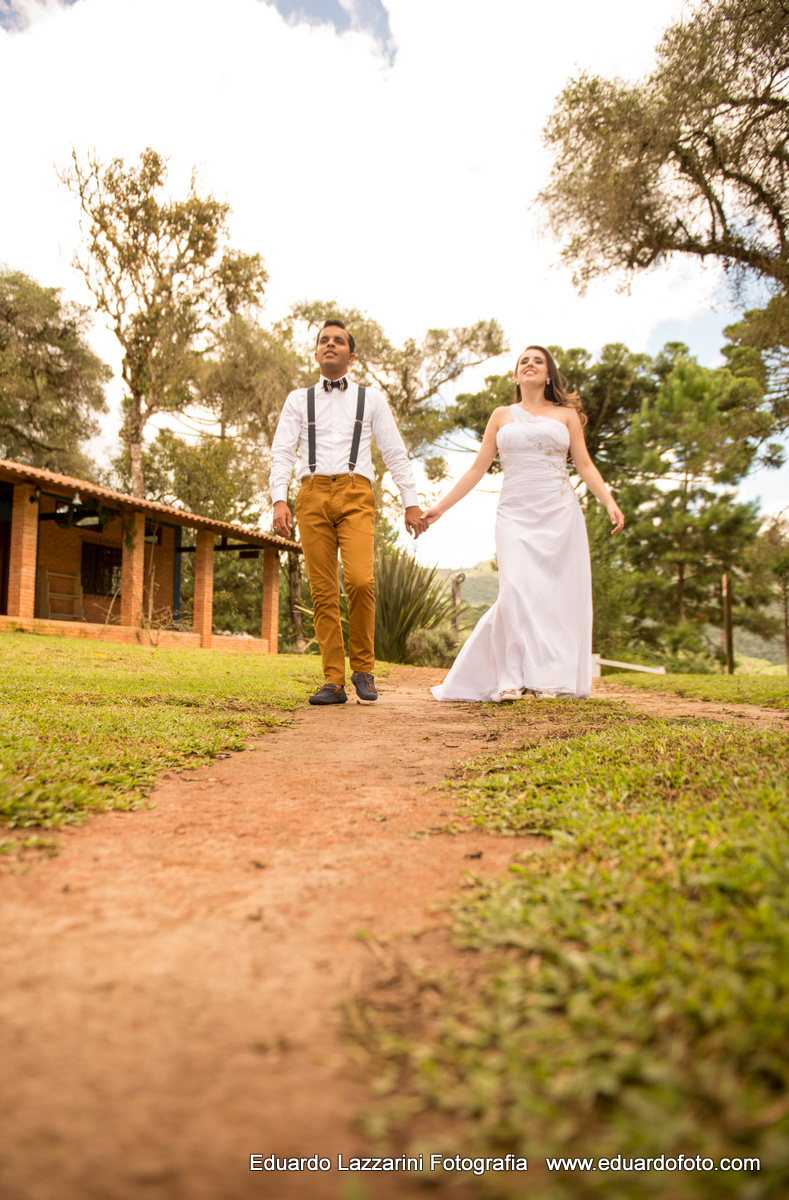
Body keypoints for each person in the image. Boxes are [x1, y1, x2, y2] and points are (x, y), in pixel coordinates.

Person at [422, 344, 624, 702]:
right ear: (516, 375)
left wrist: (608, 500)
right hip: (514, 513)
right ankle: (509, 677)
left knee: (553, 596)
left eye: (538, 361)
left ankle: (546, 678)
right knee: (515, 589)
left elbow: (585, 465)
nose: (530, 365)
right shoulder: (501, 415)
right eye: (523, 362)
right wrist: (441, 507)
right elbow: (476, 469)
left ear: (549, 375)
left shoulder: (566, 415)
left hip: (559, 512)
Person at [270, 319, 428, 706]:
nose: (330, 345)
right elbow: (282, 451)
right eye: (324, 340)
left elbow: (393, 451)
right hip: (311, 495)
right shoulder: (297, 400)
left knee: (360, 581)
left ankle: (363, 670)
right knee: (323, 591)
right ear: (316, 351)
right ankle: (333, 681)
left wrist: (411, 500)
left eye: (338, 341)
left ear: (350, 355)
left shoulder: (370, 399)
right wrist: (279, 498)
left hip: (357, 493)